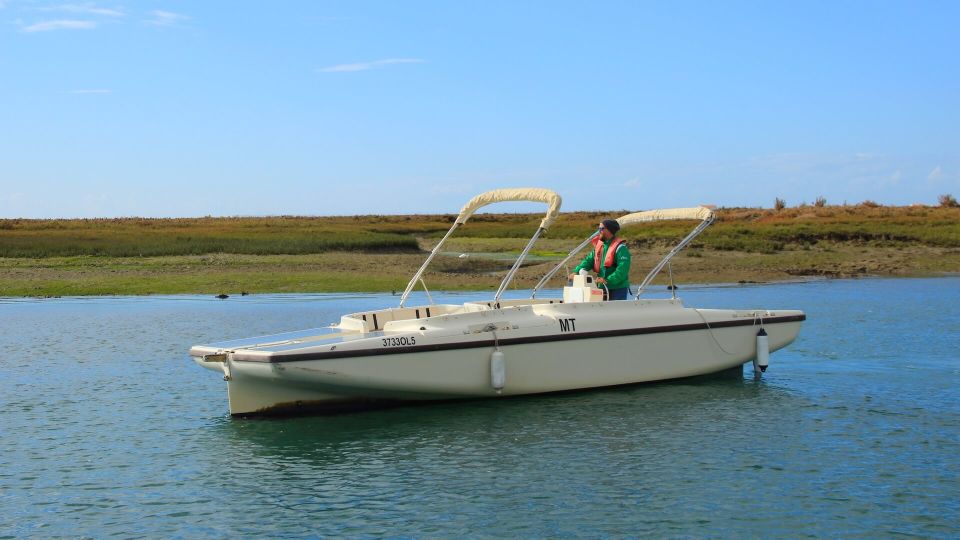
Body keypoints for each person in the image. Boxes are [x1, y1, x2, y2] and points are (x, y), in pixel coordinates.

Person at [569, 219, 631, 300]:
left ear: (610, 231)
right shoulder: (600, 246)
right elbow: (588, 260)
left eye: (602, 229)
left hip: (618, 288)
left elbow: (622, 269)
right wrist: (576, 271)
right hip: (602, 286)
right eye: (599, 229)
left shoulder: (621, 248)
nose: (599, 231)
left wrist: (607, 280)